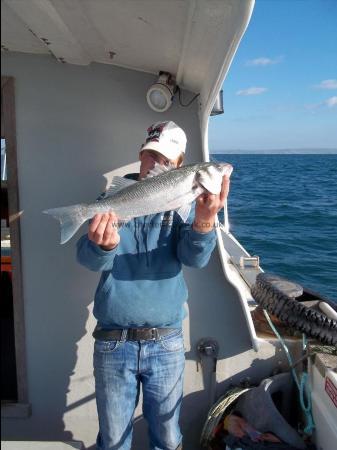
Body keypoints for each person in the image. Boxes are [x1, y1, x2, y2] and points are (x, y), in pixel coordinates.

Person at [76, 121, 230, 450]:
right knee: (114, 440)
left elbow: (194, 259)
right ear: (141, 155)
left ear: (179, 165)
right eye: (151, 155)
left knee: (169, 437)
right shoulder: (113, 198)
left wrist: (204, 222)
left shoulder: (187, 204)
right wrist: (103, 246)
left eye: (165, 159)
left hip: (167, 342)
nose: (155, 163)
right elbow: (88, 261)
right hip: (112, 342)